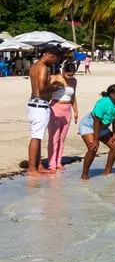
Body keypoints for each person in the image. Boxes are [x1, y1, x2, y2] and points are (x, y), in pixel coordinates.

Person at [26, 44, 63, 176]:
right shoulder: (43, 68)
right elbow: (41, 87)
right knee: (36, 137)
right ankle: (32, 169)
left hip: (33, 104)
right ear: (51, 56)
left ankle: (39, 165)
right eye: (56, 59)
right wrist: (54, 88)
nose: (56, 62)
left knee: (38, 136)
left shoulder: (34, 65)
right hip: (40, 105)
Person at [79, 85, 115, 179]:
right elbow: (96, 121)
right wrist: (96, 139)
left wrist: (114, 133)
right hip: (89, 126)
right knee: (93, 148)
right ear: (112, 95)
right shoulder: (102, 103)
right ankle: (84, 175)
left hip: (102, 128)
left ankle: (107, 172)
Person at [47, 60, 79, 171]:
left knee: (62, 138)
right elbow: (47, 90)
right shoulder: (56, 78)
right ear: (63, 70)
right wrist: (57, 81)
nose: (70, 76)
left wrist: (76, 111)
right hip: (55, 107)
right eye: (68, 74)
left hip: (67, 110)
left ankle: (58, 161)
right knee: (54, 137)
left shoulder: (74, 81)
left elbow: (73, 97)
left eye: (72, 74)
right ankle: (52, 163)